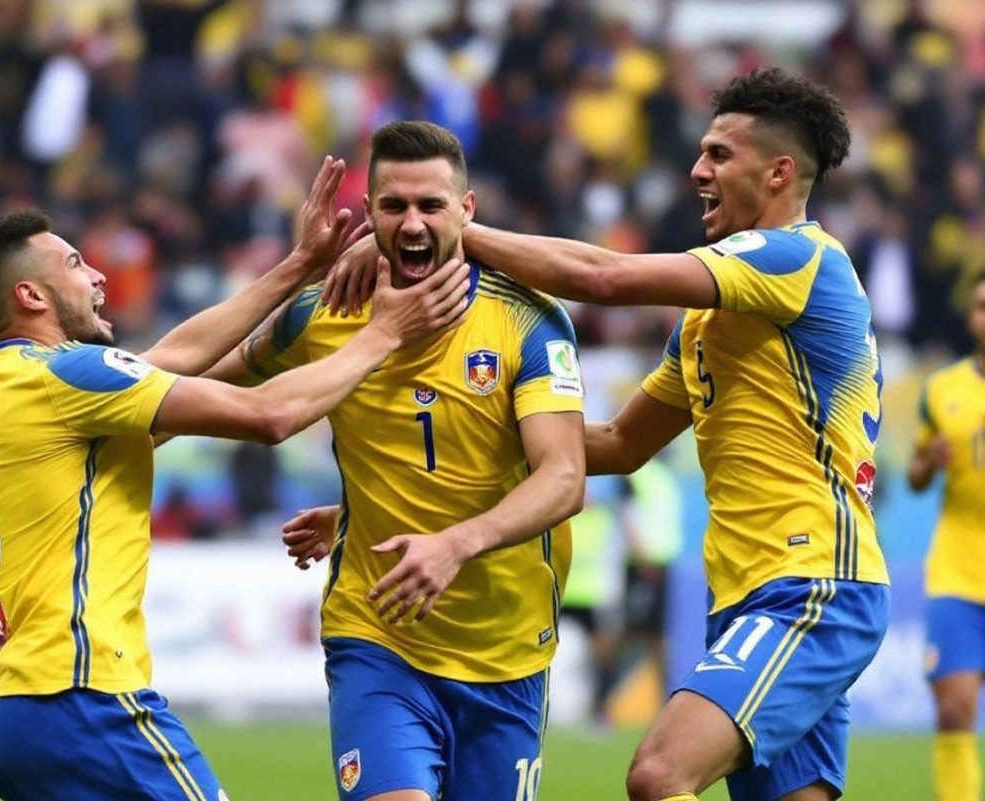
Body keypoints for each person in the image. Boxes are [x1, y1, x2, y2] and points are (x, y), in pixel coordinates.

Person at [328, 68, 890, 801]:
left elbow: (603, 277)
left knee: (659, 774)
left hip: (812, 585)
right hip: (749, 592)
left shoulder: (796, 257)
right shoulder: (710, 323)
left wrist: (449, 234)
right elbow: (619, 443)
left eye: (720, 154)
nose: (697, 170)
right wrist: (406, 475)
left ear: (779, 172)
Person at [0, 158, 469, 800]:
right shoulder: (65, 375)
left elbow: (175, 358)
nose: (98, 274)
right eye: (76, 265)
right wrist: (384, 332)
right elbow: (273, 415)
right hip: (76, 692)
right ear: (32, 297)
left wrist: (300, 264)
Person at [214, 120, 586, 801]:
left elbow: (563, 478)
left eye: (431, 206)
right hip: (378, 637)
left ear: (466, 213)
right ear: (370, 214)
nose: (412, 224)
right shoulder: (326, 312)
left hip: (506, 657)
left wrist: (454, 544)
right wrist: (108, 419)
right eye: (393, 206)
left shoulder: (528, 320)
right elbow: (206, 377)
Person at [908, 273, 985, 801]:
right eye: (982, 306)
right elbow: (914, 474)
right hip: (958, 568)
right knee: (955, 707)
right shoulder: (942, 389)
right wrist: (926, 464)